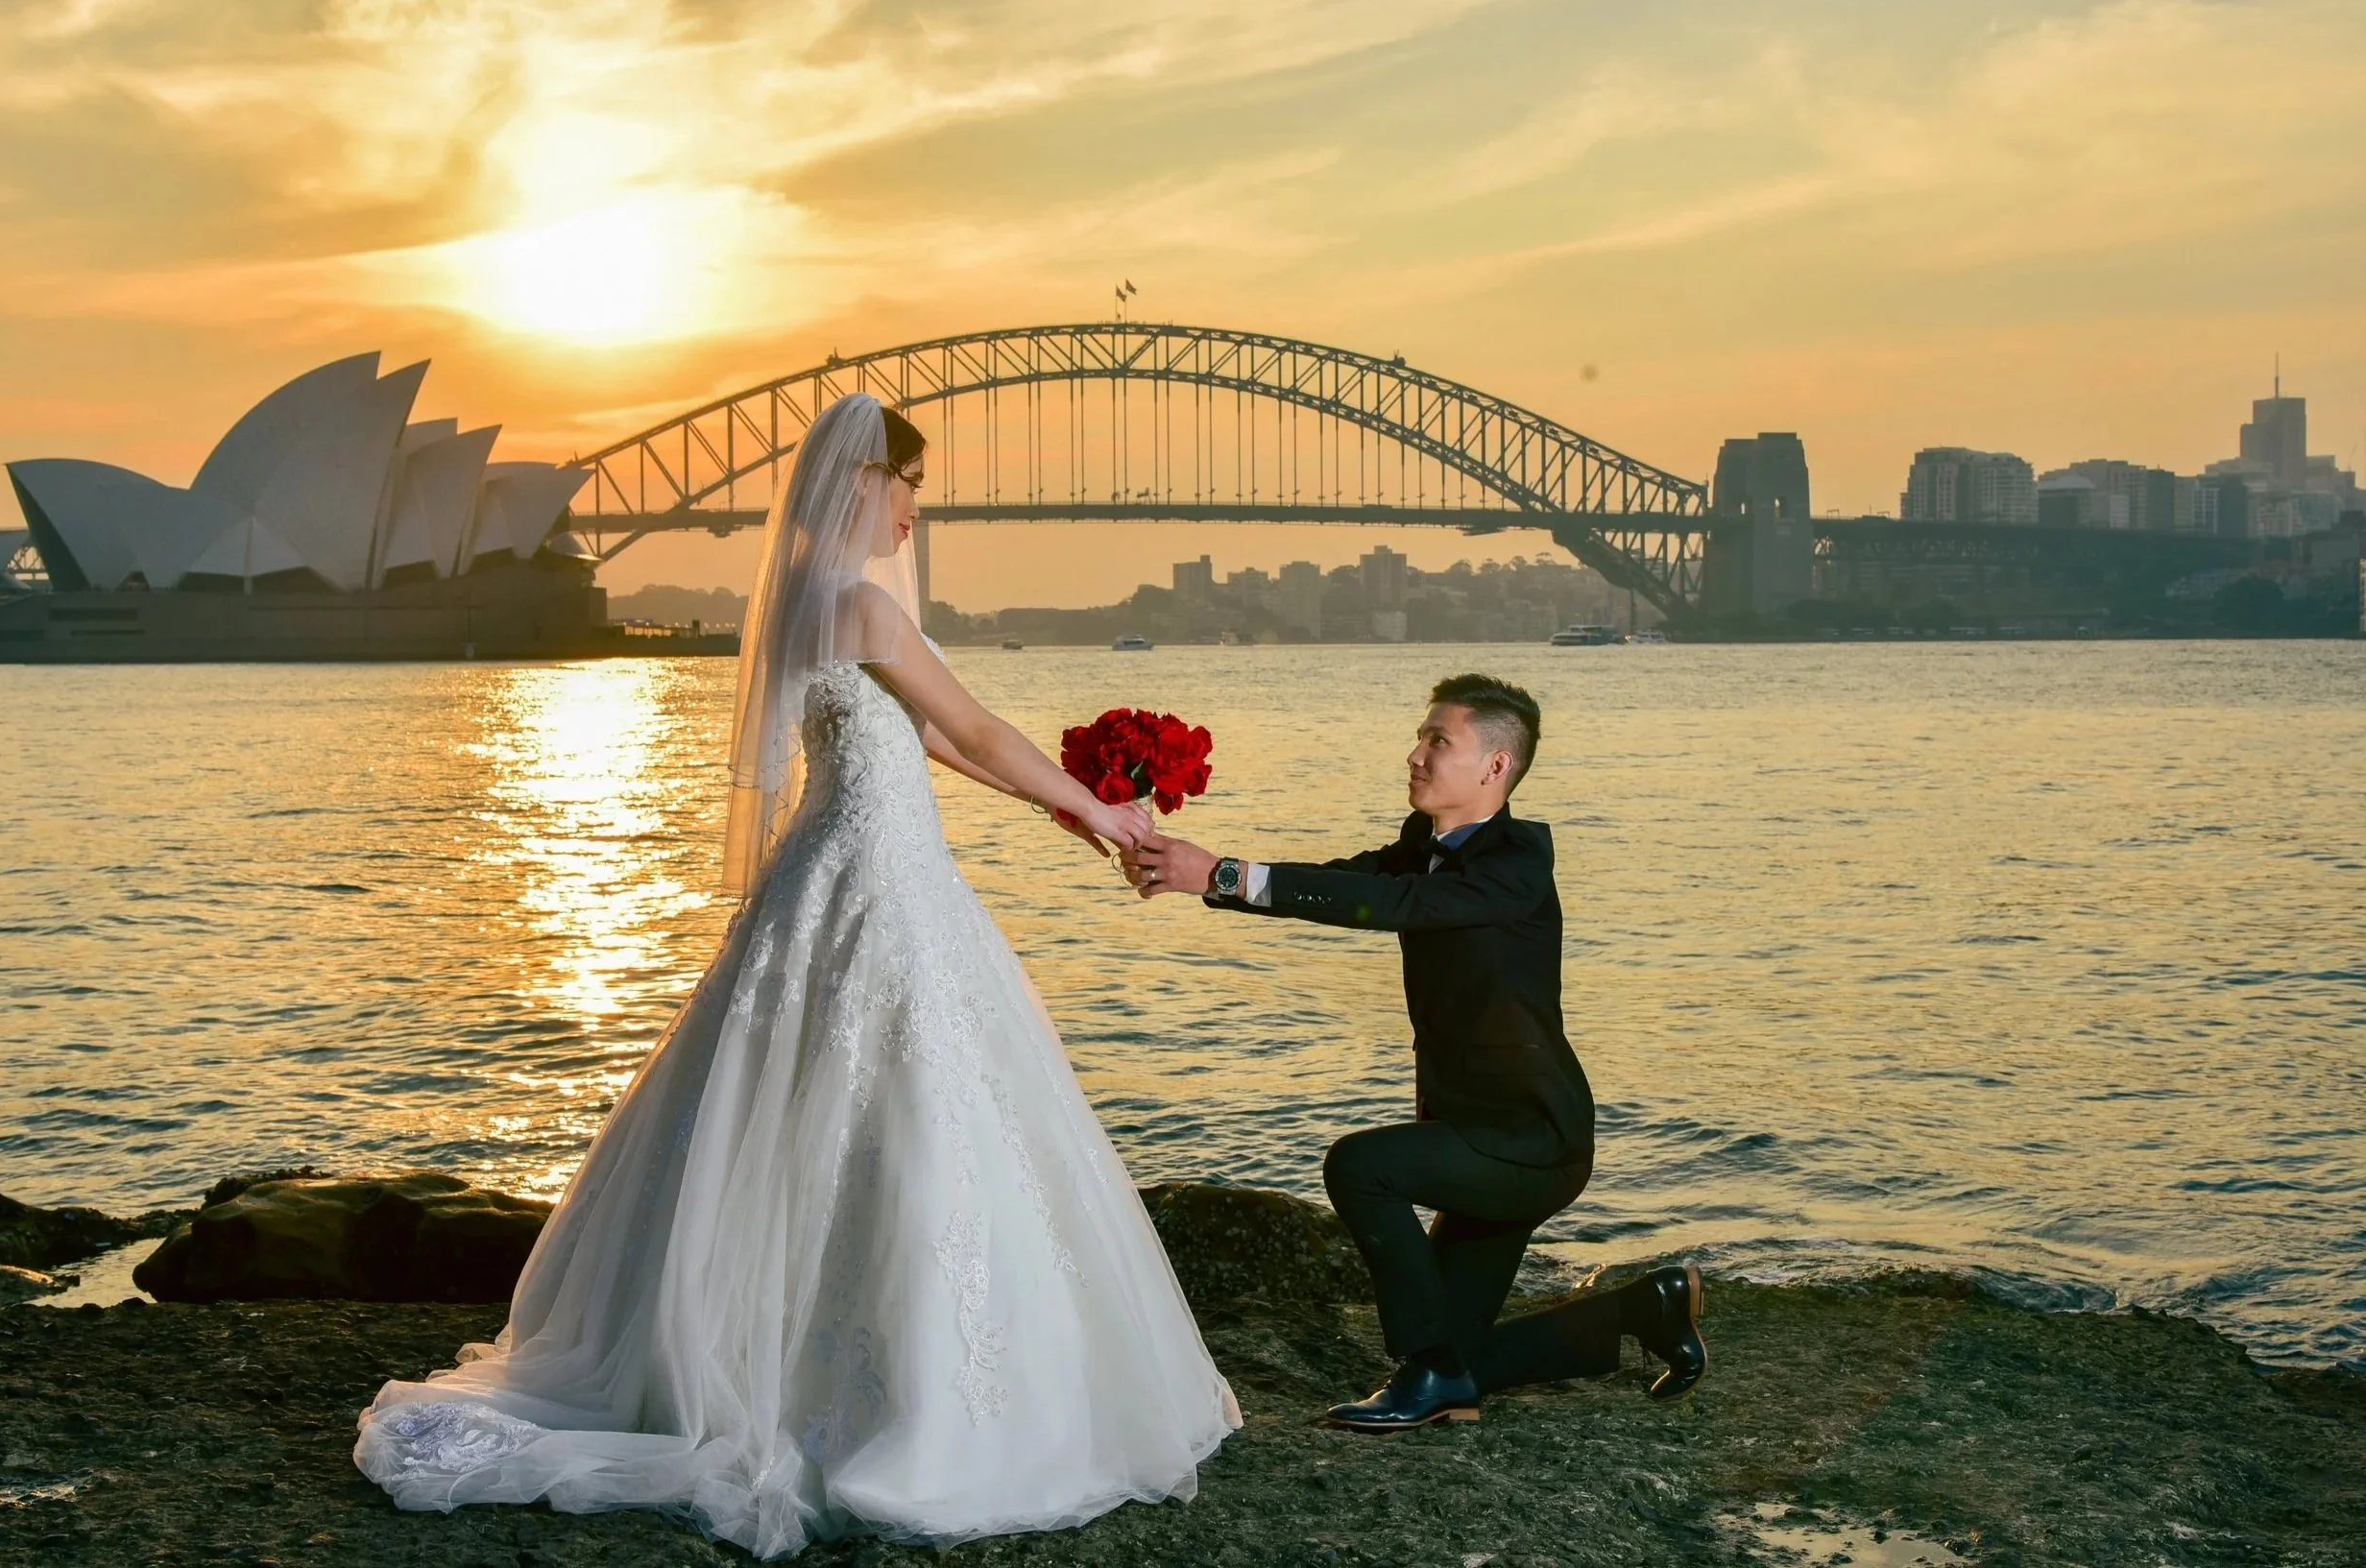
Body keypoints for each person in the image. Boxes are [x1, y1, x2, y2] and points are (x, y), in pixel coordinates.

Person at [355, 394, 1240, 1556]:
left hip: (826, 872)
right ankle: (904, 1392)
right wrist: (1099, 810)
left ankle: (784, 1347)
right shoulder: (863, 601)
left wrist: (1075, 817)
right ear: (863, 482)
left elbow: (921, 740)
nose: (919, 509)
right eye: (909, 483)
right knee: (910, 1103)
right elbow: (972, 729)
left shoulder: (802, 605)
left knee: (811, 1103)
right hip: (878, 880)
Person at [1124, 675, 1706, 1431]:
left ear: (1496, 767)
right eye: (1421, 735)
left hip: (1531, 1139)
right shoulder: (1422, 848)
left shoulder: (1515, 866)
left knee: (1360, 1166)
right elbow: (1352, 884)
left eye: (1441, 741)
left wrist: (1225, 872)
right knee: (1459, 1362)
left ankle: (1431, 1371)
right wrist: (1205, 876)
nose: (1417, 753)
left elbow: (1394, 907)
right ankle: (1648, 1307)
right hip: (1476, 1130)